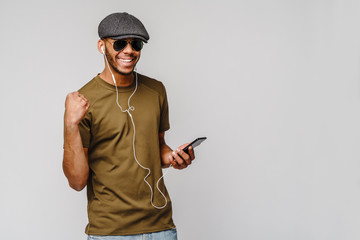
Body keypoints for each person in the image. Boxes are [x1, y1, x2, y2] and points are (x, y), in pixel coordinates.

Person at [62, 12, 195, 240]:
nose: (129, 50)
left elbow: (158, 147)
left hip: (160, 227)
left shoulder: (156, 90)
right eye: (120, 43)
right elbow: (76, 182)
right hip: (110, 232)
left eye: (136, 44)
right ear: (101, 46)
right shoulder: (83, 101)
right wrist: (70, 125)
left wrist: (174, 157)